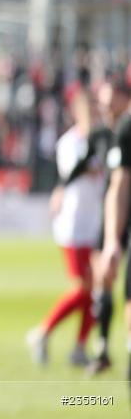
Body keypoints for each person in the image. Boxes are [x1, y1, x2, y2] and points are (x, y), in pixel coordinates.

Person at [26, 88, 103, 366]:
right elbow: (78, 171)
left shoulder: (100, 139)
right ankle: (43, 332)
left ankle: (80, 347)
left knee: (97, 291)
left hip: (93, 223)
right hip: (72, 225)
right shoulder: (69, 142)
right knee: (85, 288)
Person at [87, 77, 131, 375]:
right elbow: (117, 183)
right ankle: (103, 346)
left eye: (109, 97)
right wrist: (113, 238)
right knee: (103, 275)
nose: (104, 104)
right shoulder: (106, 133)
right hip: (117, 213)